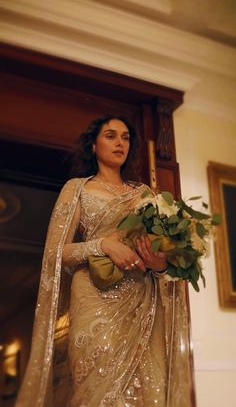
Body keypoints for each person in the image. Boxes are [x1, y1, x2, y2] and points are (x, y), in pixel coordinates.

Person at [17, 115, 193, 407]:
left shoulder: (145, 195)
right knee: (98, 391)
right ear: (94, 145)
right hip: (93, 299)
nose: (119, 143)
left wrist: (159, 262)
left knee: (148, 390)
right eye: (111, 135)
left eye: (125, 137)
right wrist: (103, 245)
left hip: (141, 303)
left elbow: (162, 258)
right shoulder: (78, 189)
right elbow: (56, 252)